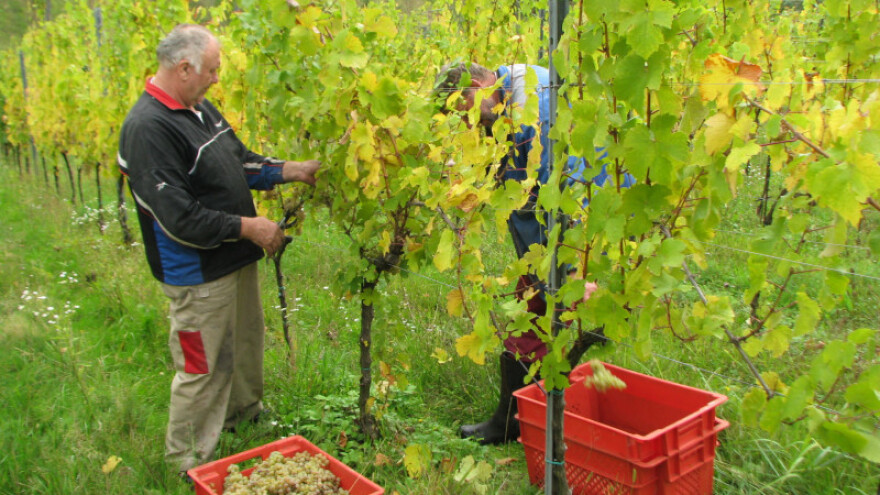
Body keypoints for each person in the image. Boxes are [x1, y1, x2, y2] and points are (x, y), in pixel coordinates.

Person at [117, 24, 320, 476]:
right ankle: (186, 461)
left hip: (233, 258)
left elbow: (239, 161)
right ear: (184, 67)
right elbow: (180, 218)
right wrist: (249, 226)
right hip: (195, 271)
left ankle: (242, 419)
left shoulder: (198, 108)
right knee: (202, 365)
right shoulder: (147, 129)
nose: (216, 79)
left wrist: (294, 169)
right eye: (212, 70)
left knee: (245, 344)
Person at [434, 62, 633, 445]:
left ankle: (553, 425)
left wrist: (574, 269)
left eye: (465, 111)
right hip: (544, 244)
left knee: (559, 319)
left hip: (581, 235)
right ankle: (520, 420)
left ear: (476, 86)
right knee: (530, 325)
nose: (468, 126)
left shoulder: (532, 101)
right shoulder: (500, 108)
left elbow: (564, 187)